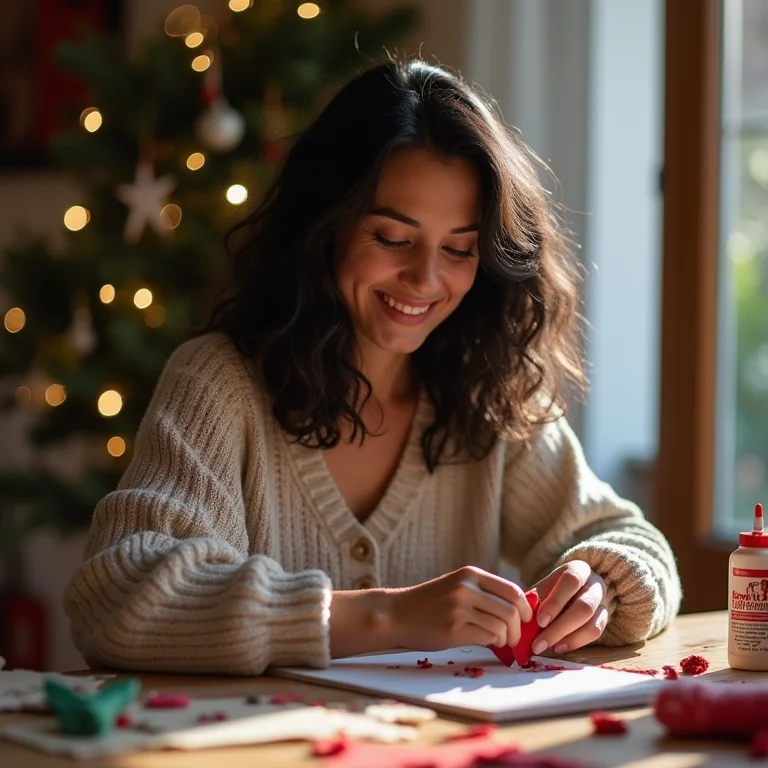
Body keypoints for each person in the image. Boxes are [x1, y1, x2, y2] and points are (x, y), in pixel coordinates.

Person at [63, 59, 681, 675]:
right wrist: (387, 616)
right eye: (392, 238)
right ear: (325, 226)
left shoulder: (488, 390)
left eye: (459, 249)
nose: (426, 279)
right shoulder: (218, 385)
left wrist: (599, 582)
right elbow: (117, 596)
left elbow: (630, 540)